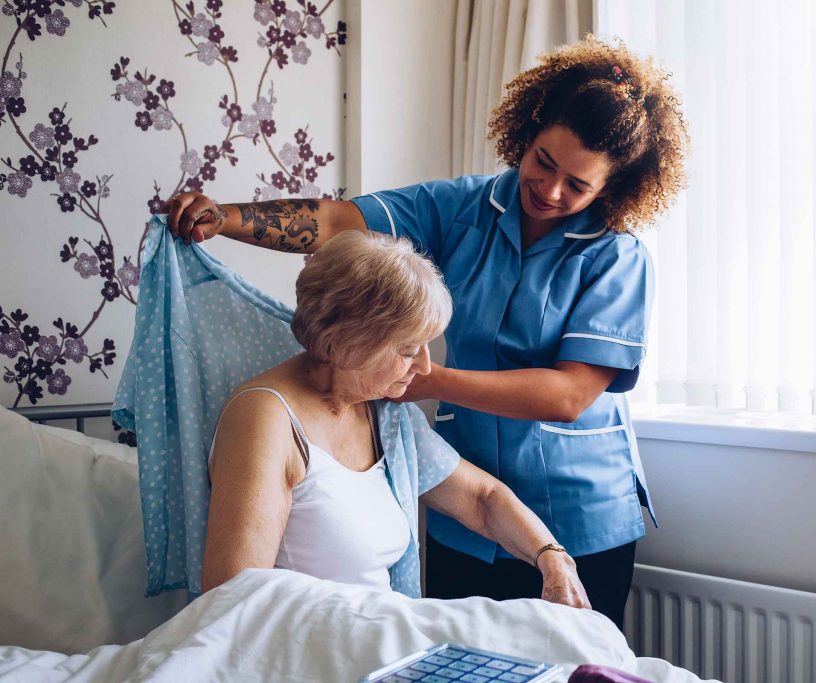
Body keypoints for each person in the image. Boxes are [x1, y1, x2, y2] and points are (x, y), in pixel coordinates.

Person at [170, 36, 689, 628]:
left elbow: (568, 395)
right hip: (465, 515)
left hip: (578, 513)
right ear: (529, 131)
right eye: (544, 162)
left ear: (613, 189)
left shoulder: (617, 257)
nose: (550, 190)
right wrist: (228, 219)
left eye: (577, 185)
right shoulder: (461, 208)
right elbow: (341, 222)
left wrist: (421, 378)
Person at [202, 229, 590, 611]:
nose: (424, 366)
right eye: (407, 350)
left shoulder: (384, 413)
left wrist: (551, 556)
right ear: (345, 342)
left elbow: (482, 498)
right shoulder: (266, 419)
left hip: (376, 636)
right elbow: (233, 599)